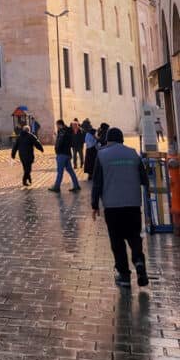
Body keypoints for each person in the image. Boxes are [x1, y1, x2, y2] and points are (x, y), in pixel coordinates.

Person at [91, 127, 150, 288]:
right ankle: (139, 262)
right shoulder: (133, 153)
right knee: (134, 237)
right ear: (122, 139)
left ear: (108, 140)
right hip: (132, 203)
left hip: (112, 205)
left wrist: (94, 205)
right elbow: (144, 179)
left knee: (117, 241)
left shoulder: (102, 155)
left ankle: (124, 276)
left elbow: (97, 183)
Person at [49, 120, 81, 193]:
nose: (56, 126)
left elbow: (59, 142)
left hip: (62, 154)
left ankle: (57, 187)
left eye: (57, 125)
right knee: (70, 170)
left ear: (59, 125)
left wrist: (56, 149)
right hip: (68, 153)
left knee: (60, 171)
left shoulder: (62, 132)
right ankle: (76, 185)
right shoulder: (68, 131)